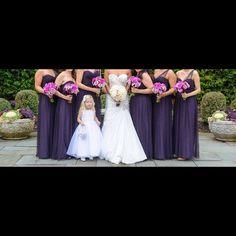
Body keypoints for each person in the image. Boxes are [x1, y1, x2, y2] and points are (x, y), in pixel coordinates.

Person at [100, 69, 147, 165]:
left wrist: (121, 95)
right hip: (111, 98)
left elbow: (128, 86)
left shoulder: (128, 70)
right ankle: (109, 149)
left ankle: (126, 149)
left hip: (123, 98)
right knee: (110, 122)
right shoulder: (107, 70)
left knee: (124, 121)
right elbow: (105, 86)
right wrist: (112, 95)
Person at [173, 69, 201, 160]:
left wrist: (187, 95)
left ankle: (186, 153)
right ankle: (178, 151)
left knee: (187, 125)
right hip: (179, 101)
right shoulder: (177, 73)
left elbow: (198, 90)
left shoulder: (194, 73)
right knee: (179, 124)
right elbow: (174, 87)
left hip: (189, 101)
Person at [67, 95, 102, 161]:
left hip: (92, 127)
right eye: (87, 102)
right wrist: (81, 122)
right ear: (84, 103)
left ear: (93, 103)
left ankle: (91, 153)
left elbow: (94, 118)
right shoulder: (82, 110)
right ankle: (82, 154)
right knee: (84, 140)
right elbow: (78, 118)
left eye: (90, 102)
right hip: (84, 126)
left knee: (92, 140)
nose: (89, 103)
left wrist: (97, 121)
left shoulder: (93, 110)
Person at [152, 69, 177, 160]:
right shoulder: (154, 71)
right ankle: (154, 151)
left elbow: (174, 88)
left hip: (164, 102)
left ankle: (162, 152)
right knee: (154, 124)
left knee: (162, 124)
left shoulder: (169, 72)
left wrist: (164, 94)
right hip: (153, 101)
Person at [130, 69, 153, 159]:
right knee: (136, 125)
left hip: (143, 102)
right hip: (136, 101)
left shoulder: (144, 74)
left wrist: (137, 91)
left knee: (142, 125)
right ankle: (137, 151)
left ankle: (144, 151)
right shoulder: (137, 74)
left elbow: (152, 89)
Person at [51, 69, 75, 160]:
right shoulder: (62, 75)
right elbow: (53, 89)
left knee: (69, 126)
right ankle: (62, 152)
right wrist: (65, 97)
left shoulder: (73, 75)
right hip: (63, 104)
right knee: (63, 125)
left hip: (71, 105)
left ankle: (69, 150)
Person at [35, 69, 57, 159]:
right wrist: (46, 92)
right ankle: (44, 151)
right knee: (45, 123)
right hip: (45, 100)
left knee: (53, 123)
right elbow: (37, 86)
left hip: (54, 100)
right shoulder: (40, 71)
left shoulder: (54, 71)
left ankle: (52, 150)